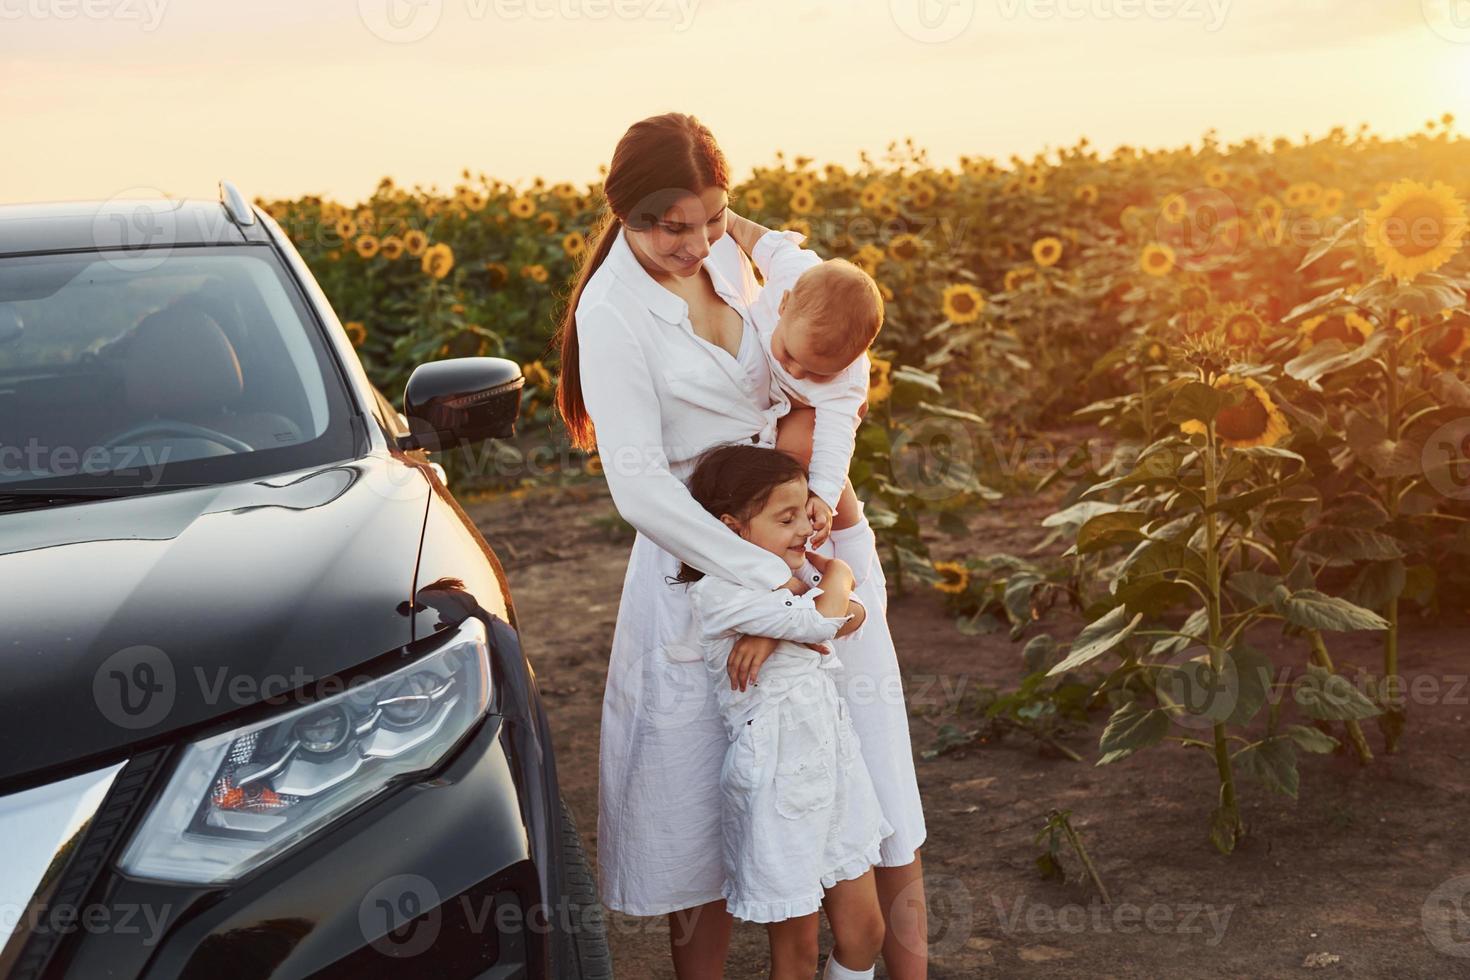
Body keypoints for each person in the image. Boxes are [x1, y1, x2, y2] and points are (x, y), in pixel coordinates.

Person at [555, 111, 927, 979]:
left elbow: (835, 333)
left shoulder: (735, 251)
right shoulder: (612, 310)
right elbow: (641, 487)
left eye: (712, 218)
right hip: (704, 570)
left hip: (821, 538)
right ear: (622, 211)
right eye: (668, 227)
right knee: (706, 815)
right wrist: (774, 588)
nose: (693, 244)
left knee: (868, 775)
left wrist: (810, 548)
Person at [678, 443, 888, 980]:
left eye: (804, 514)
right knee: (794, 958)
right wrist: (838, 575)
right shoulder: (720, 592)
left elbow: (849, 618)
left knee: (866, 932)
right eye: (785, 517)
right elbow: (823, 620)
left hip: (835, 768)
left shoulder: (787, 580)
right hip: (779, 784)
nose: (803, 529)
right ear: (733, 527)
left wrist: (782, 628)